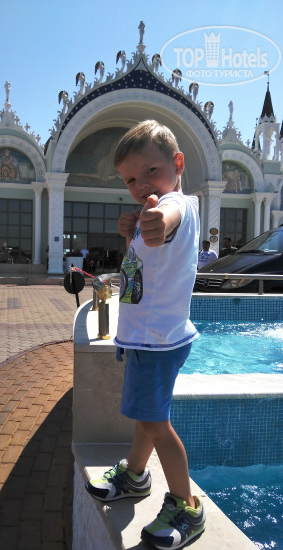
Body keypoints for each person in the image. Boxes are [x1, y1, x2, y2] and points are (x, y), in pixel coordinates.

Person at [85, 120, 205, 549]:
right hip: (146, 338)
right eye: (130, 180)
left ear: (178, 163)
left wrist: (155, 220)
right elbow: (141, 270)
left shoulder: (176, 205)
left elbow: (169, 216)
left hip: (157, 340)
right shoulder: (149, 213)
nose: (140, 185)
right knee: (146, 415)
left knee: (156, 422)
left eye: (150, 171)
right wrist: (132, 233)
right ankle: (135, 475)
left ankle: (187, 507)